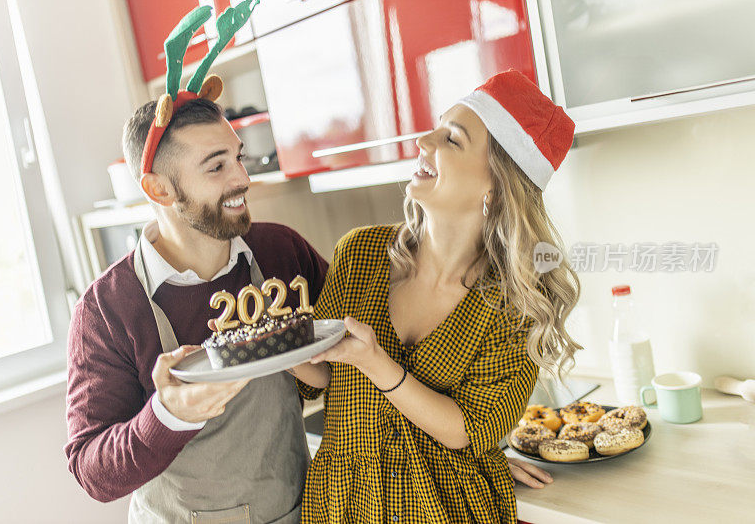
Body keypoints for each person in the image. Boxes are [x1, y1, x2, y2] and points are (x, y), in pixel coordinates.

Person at [290, 69, 581, 523]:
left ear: (495, 186)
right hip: (339, 504)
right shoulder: (360, 252)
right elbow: (321, 375)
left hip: (444, 509)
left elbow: (466, 430)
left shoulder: (515, 303)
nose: (424, 141)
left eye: (452, 139)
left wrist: (375, 361)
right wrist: (273, 345)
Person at [64, 94, 328, 523]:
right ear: (160, 189)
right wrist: (169, 415)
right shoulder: (107, 309)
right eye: (217, 166)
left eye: (238, 157)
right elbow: (92, 470)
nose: (242, 178)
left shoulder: (281, 252)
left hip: (297, 510)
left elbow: (351, 359)